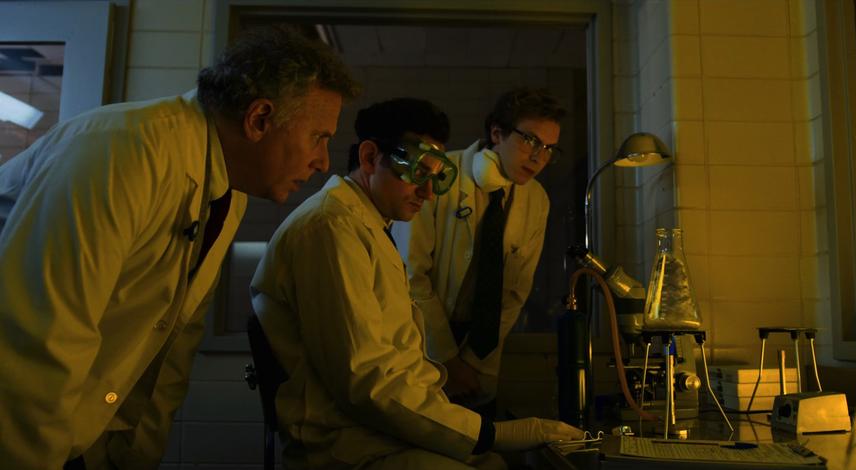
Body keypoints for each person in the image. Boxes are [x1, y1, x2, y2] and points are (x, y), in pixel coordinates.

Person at [0, 25, 359, 470]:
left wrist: (136, 452)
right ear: (260, 119)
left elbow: (172, 339)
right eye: (318, 137)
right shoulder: (122, 154)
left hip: (83, 433)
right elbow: (39, 342)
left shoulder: (226, 191)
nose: (323, 162)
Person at [250, 98, 581, 469]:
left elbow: (396, 360)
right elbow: (367, 383)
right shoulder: (331, 229)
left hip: (381, 432)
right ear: (371, 157)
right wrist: (490, 433)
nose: (427, 192)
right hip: (348, 445)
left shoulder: (369, 226)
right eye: (417, 173)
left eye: (435, 177)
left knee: (495, 465)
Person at [399, 88, 565, 411]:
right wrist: (447, 358)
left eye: (549, 148)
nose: (538, 157)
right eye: (530, 140)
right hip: (422, 338)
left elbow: (514, 294)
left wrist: (473, 363)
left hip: (478, 351)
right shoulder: (441, 174)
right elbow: (411, 275)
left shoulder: (536, 200)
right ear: (496, 133)